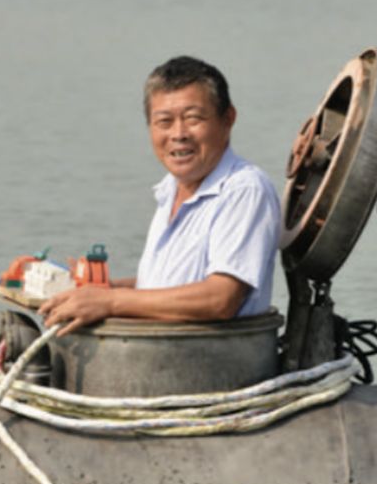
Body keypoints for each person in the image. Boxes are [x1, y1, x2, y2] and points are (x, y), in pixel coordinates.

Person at [38, 56, 281, 335]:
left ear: (228, 119)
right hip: (158, 360)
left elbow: (220, 298)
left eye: (193, 119)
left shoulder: (244, 189)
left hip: (214, 365)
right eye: (164, 122)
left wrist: (111, 301)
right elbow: (165, 288)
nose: (178, 134)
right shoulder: (170, 189)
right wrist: (99, 291)